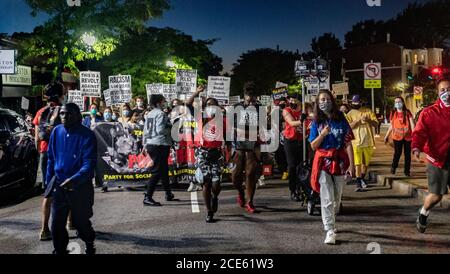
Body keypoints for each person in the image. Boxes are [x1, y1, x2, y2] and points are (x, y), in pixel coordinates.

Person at [46, 103, 97, 254]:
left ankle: (89, 242)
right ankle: (60, 250)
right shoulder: (56, 131)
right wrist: (49, 182)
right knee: (56, 224)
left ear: (78, 116)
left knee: (81, 224)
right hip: (60, 186)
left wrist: (75, 179)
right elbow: (51, 159)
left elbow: (89, 164)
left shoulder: (87, 135)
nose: (64, 116)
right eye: (61, 113)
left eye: (68, 114)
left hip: (80, 188)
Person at [309, 90, 355, 245]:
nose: (325, 102)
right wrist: (322, 135)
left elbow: (348, 142)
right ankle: (329, 229)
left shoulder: (341, 118)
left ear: (332, 101)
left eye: (327, 99)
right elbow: (313, 145)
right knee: (327, 198)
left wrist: (352, 165)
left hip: (340, 162)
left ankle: (332, 221)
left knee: (336, 198)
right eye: (322, 99)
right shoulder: (316, 121)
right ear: (317, 102)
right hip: (323, 162)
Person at [412, 78, 450, 233]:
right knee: (436, 196)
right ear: (438, 92)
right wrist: (416, 147)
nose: (447, 93)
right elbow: (419, 133)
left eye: (449, 89)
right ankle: (423, 213)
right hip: (437, 160)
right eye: (443, 90)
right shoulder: (429, 112)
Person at [186, 90, 226, 222]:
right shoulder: (199, 117)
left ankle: (215, 197)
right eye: (208, 104)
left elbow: (229, 139)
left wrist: (229, 155)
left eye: (213, 104)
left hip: (217, 154)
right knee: (206, 182)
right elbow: (187, 104)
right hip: (202, 153)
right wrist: (197, 92)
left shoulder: (223, 120)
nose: (211, 106)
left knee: (216, 184)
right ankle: (209, 212)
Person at [34, 82, 64, 241]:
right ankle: (70, 222)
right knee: (68, 186)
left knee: (48, 191)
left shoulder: (40, 112)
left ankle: (44, 229)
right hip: (62, 153)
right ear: (60, 95)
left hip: (45, 153)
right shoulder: (65, 111)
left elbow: (37, 137)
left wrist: (40, 153)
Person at [231, 82, 262, 214]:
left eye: (253, 96)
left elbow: (263, 127)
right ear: (244, 95)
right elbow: (233, 127)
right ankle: (240, 192)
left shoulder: (260, 108)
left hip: (253, 145)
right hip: (238, 145)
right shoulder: (237, 107)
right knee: (235, 176)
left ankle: (250, 202)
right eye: (248, 96)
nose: (251, 98)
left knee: (251, 174)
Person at [142, 94, 175, 206]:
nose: (165, 102)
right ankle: (148, 196)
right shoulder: (161, 114)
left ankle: (168, 193)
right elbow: (160, 130)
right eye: (163, 101)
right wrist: (171, 128)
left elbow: (145, 131)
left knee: (163, 169)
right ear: (158, 103)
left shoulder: (150, 114)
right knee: (157, 171)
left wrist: (144, 144)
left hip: (152, 143)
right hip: (160, 144)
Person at [346, 95, 378, 192]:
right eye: (354, 103)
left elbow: (376, 124)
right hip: (356, 142)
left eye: (357, 102)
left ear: (360, 102)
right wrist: (358, 121)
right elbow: (348, 127)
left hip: (368, 141)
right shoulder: (350, 113)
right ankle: (358, 181)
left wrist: (368, 120)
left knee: (365, 163)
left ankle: (362, 177)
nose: (356, 104)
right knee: (358, 163)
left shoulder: (368, 111)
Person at [384, 97, 415, 176]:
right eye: (396, 102)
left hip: (408, 137)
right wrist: (386, 136)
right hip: (397, 137)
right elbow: (391, 126)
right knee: (397, 153)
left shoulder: (407, 112)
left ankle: (407, 171)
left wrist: (415, 135)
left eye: (399, 102)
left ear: (403, 103)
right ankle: (394, 166)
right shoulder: (393, 113)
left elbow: (412, 124)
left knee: (407, 154)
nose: (398, 103)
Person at [282, 96, 304, 201]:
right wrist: (302, 120)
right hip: (290, 141)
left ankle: (302, 188)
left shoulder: (304, 108)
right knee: (292, 166)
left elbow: (313, 115)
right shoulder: (287, 110)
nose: (292, 102)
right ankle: (293, 190)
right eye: (290, 100)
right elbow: (291, 122)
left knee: (302, 166)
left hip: (302, 140)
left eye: (294, 100)